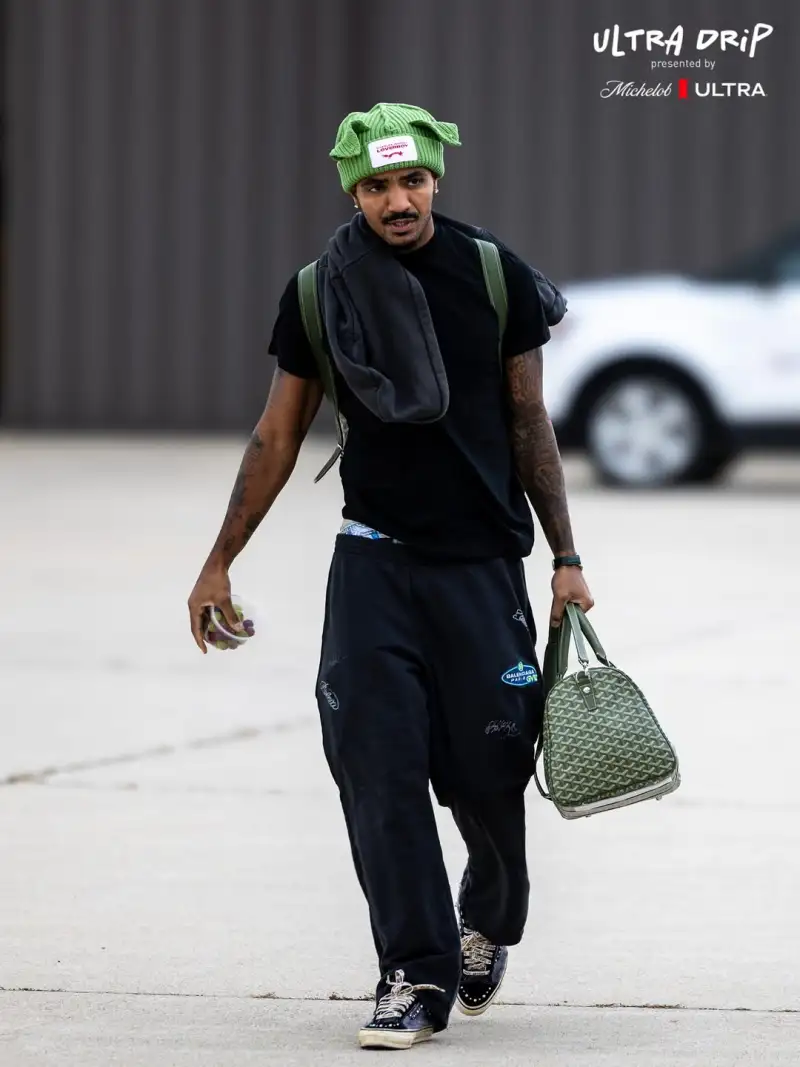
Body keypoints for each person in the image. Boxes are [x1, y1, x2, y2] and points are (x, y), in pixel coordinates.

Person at [188, 102, 594, 1052]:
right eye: (376, 185)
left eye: (411, 181)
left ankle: (487, 917)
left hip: (482, 567)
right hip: (372, 562)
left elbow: (531, 425)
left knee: (489, 776)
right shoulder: (320, 292)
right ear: (353, 191)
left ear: (437, 179)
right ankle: (412, 974)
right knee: (376, 771)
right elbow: (277, 433)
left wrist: (566, 557)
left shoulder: (497, 278)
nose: (397, 200)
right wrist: (219, 559)